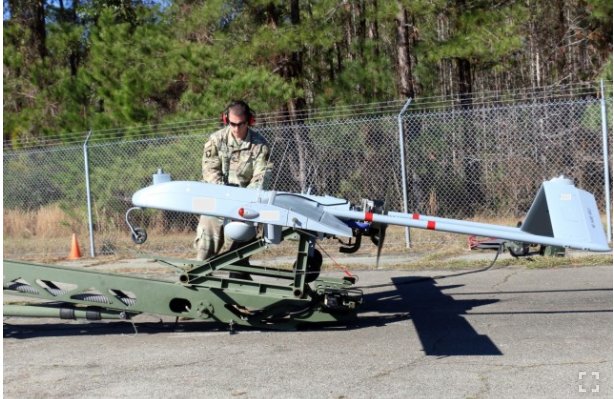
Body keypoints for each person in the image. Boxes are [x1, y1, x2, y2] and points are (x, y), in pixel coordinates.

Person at [194, 100, 271, 261]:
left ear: (249, 121)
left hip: (245, 204)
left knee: (242, 246)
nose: (236, 129)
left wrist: (242, 201)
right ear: (225, 120)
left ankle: (239, 273)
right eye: (232, 124)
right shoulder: (216, 140)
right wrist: (225, 195)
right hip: (217, 199)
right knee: (206, 245)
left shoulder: (260, 146)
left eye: (240, 124)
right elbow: (210, 171)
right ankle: (196, 274)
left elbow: (260, 178)